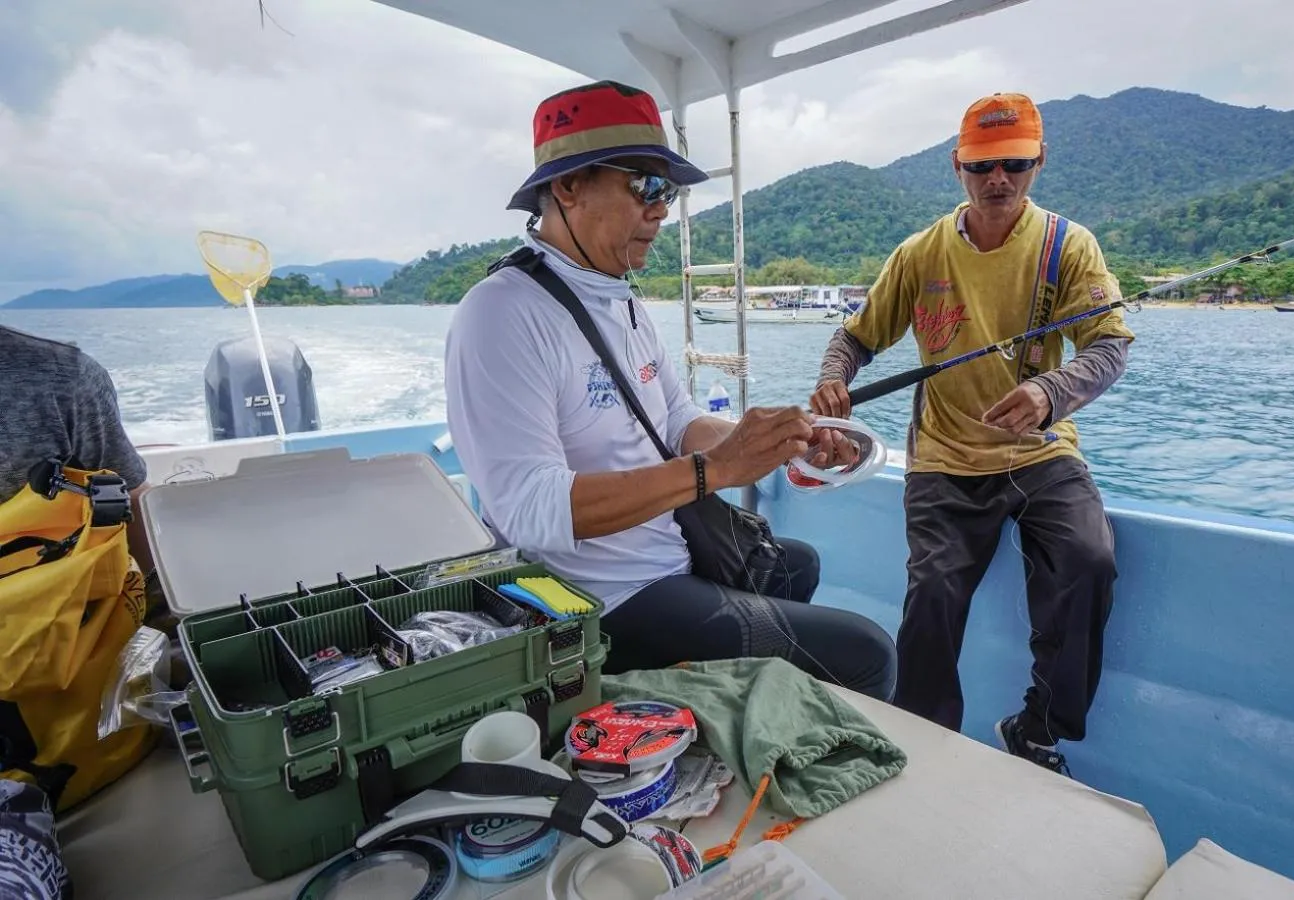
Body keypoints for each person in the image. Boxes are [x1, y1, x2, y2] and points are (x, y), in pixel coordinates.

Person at [444, 80, 896, 699]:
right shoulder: (501, 314)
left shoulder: (621, 301)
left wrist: (783, 442)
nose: (662, 209)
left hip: (664, 555)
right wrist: (717, 469)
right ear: (568, 187)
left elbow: (678, 423)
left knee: (797, 565)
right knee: (866, 652)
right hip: (596, 600)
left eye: (669, 191)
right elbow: (531, 509)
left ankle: (746, 725)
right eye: (646, 186)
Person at [810, 92, 1135, 772]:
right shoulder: (919, 253)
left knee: (1089, 560)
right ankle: (927, 742)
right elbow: (854, 338)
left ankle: (1037, 727)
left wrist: (1050, 392)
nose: (998, 180)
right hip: (945, 458)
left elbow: (1108, 346)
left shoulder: (1067, 246)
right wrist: (834, 379)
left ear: (1039, 162)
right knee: (933, 591)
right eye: (983, 166)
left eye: (1015, 164)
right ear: (957, 166)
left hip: (1041, 451)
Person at [0, 325, 151, 573]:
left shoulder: (64, 377)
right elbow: (129, 493)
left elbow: (126, 494)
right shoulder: (64, 374)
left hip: (50, 590)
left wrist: (156, 587)